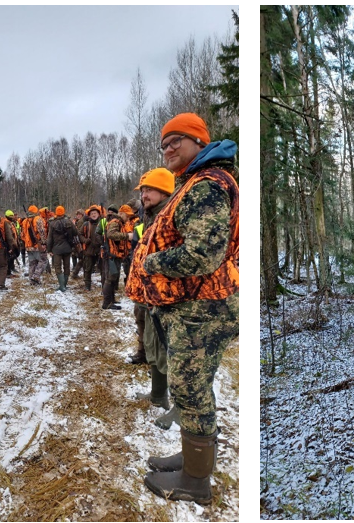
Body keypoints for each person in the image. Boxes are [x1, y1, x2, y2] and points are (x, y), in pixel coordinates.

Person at [131, 113, 239, 504]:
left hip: (203, 309)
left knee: (191, 390)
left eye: (177, 140)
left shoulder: (208, 185)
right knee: (192, 389)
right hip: (196, 306)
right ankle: (191, 460)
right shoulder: (194, 183)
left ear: (198, 141)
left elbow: (202, 254)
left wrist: (151, 262)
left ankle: (195, 482)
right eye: (164, 144)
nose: (169, 148)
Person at [128, 168, 177, 432]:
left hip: (168, 296)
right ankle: (158, 395)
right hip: (151, 295)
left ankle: (180, 409)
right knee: (153, 344)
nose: (143, 195)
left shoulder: (171, 215)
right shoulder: (149, 216)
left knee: (173, 352)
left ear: (163, 191)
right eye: (143, 191)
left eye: (148, 190)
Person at [99, 205, 128, 310]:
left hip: (114, 254)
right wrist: (127, 236)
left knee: (112, 278)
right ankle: (106, 303)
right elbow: (111, 234)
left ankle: (111, 300)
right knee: (109, 279)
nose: (128, 218)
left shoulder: (116, 222)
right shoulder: (115, 222)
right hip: (110, 255)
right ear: (122, 214)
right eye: (127, 216)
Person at [46, 205, 77, 292]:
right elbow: (75, 232)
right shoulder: (69, 222)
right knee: (67, 266)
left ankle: (62, 286)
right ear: (64, 212)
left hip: (56, 249)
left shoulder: (52, 223)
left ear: (56, 212)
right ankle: (64, 285)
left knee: (57, 267)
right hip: (67, 248)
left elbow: (50, 238)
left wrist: (49, 249)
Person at [78, 205, 103, 291]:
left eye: (95, 213)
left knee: (103, 269)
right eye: (92, 213)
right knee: (88, 269)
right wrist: (85, 240)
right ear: (89, 215)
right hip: (89, 250)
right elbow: (80, 234)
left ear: (98, 214)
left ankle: (104, 287)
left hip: (100, 250)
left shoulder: (102, 223)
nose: (93, 214)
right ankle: (87, 286)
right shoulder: (86, 224)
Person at [22, 205, 48, 285]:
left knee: (32, 263)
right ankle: (36, 276)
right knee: (43, 260)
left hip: (28, 246)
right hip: (37, 245)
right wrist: (44, 243)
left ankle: (31, 280)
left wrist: (26, 243)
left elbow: (22, 235)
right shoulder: (38, 219)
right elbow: (42, 232)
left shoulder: (24, 221)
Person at [119, 204, 140, 284]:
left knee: (132, 272)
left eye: (122, 214)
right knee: (127, 270)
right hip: (126, 251)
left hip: (132, 250)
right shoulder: (125, 222)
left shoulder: (136, 221)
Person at [4, 210, 20, 278]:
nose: (12, 217)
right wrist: (12, 245)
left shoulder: (11, 223)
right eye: (11, 216)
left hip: (13, 243)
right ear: (7, 216)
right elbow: (9, 236)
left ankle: (10, 271)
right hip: (9, 244)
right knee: (9, 259)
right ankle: (8, 273)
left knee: (12, 258)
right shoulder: (6, 223)